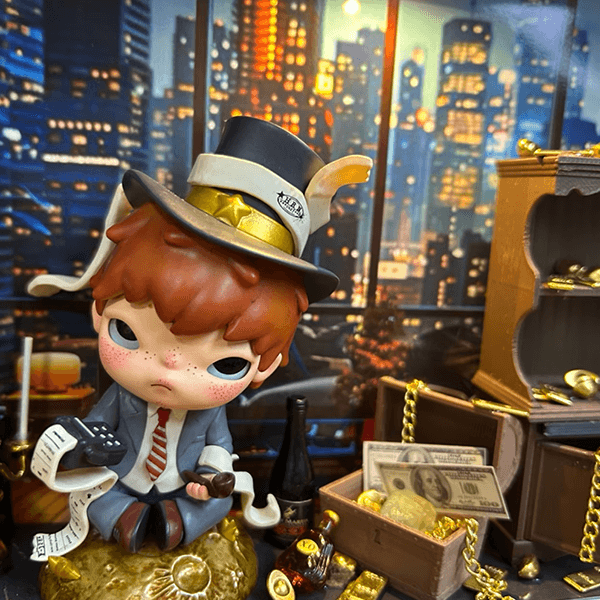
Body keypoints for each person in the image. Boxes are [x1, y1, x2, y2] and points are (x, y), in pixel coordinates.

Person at [28, 116, 372, 553]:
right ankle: (123, 517)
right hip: (121, 478)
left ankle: (178, 521)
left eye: (225, 364)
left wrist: (211, 478)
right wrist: (78, 445)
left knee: (215, 504)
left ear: (264, 366)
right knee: (94, 494)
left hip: (184, 489)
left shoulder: (208, 413)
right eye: (127, 333)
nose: (169, 367)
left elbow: (218, 447)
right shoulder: (122, 398)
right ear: (99, 312)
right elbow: (96, 428)